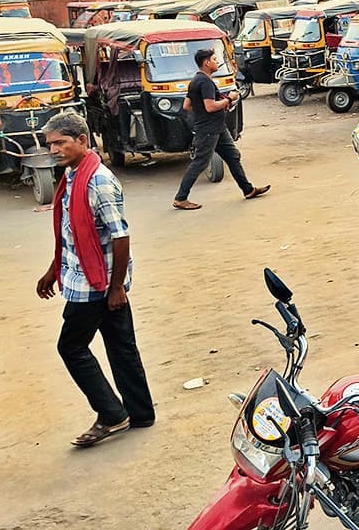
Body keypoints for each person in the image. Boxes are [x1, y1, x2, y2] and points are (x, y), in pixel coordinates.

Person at [36, 112, 154, 447]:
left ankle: (112, 415)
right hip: (85, 276)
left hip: (94, 285)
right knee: (121, 346)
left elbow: (121, 236)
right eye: (51, 144)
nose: (54, 150)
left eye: (61, 142)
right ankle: (141, 414)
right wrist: (53, 269)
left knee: (71, 347)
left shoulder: (97, 180)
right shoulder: (74, 175)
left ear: (82, 141)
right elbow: (72, 233)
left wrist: (116, 288)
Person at [173, 49, 270, 210]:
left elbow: (187, 105)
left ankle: (248, 190)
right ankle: (180, 198)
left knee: (233, 156)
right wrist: (229, 99)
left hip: (217, 128)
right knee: (200, 163)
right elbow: (210, 107)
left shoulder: (196, 80)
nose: (217, 62)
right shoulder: (205, 82)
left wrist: (204, 111)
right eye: (214, 59)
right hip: (209, 129)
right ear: (206, 62)